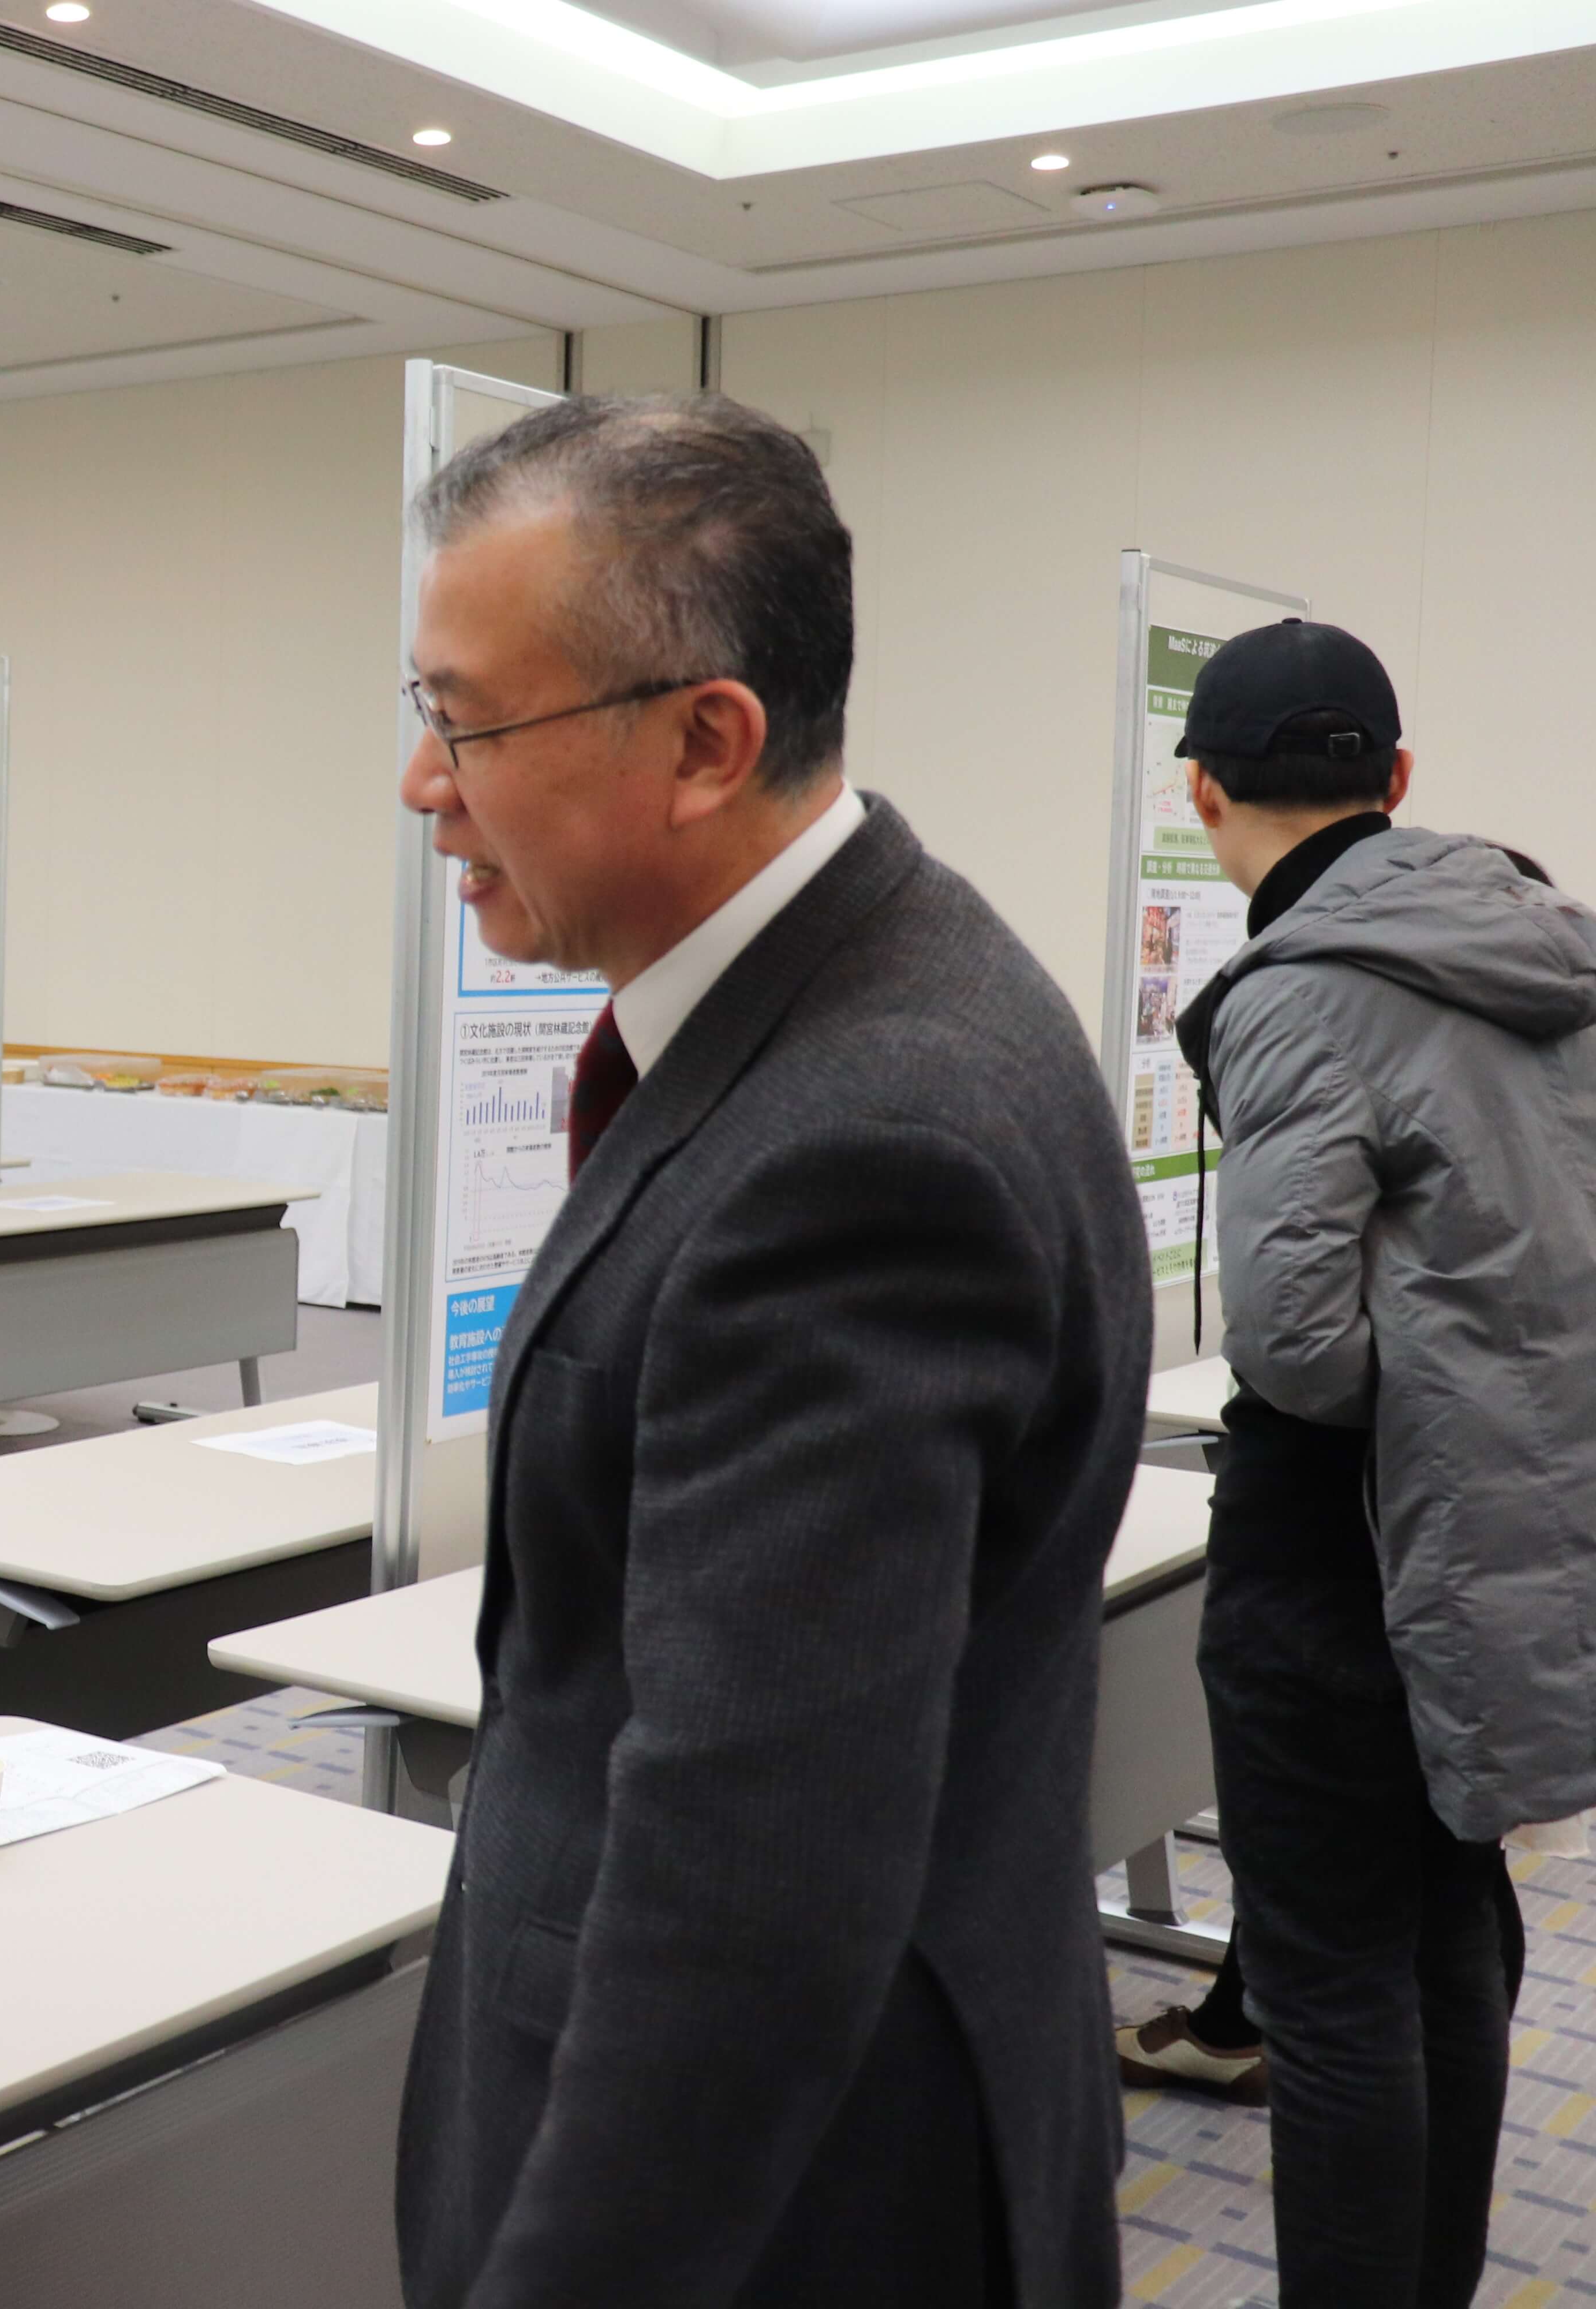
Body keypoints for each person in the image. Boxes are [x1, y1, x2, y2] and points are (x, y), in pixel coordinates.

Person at [387, 393, 1146, 2307]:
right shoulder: (881, 986)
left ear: (706, 742)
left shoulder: (861, 1145)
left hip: (799, 2206)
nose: (422, 784)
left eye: (469, 723)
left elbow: (749, 1891)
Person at [1141, 619, 1596, 2308]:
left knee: (1331, 1985)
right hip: (1506, 1518)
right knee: (1451, 1929)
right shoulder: (1547, 945)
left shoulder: (1299, 991)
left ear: (1205, 793)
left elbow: (1294, 1347)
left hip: (1337, 1542)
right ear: (1397, 777)